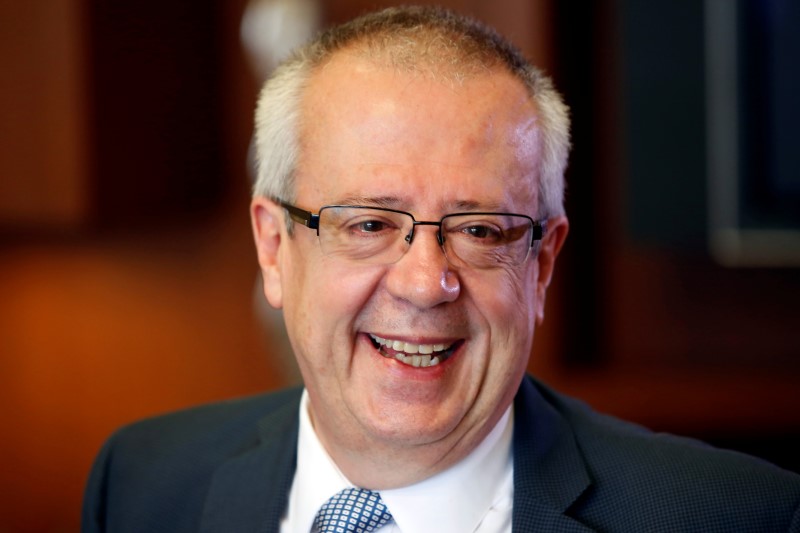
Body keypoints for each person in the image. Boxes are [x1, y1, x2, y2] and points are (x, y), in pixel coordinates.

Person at [82, 6, 800, 532]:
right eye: (368, 224)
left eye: (480, 229)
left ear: (542, 263)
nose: (426, 283)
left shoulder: (739, 518)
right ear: (274, 247)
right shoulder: (142, 482)